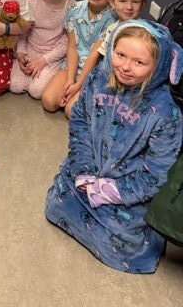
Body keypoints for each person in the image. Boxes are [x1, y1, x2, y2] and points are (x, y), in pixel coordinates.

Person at [45, 21, 183, 274]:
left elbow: (158, 173)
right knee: (58, 202)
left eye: (139, 62)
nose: (126, 67)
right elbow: (80, 123)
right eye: (120, 55)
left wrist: (111, 191)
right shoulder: (98, 78)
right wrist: (83, 170)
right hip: (88, 168)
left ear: (160, 65)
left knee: (126, 242)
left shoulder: (166, 113)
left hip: (128, 187)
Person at [42, 0, 119, 117]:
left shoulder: (113, 17)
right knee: (49, 102)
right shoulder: (75, 8)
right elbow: (72, 47)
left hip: (94, 71)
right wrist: (70, 80)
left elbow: (94, 54)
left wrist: (77, 85)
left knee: (71, 111)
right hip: (72, 65)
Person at [10, 0, 75, 101]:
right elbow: (22, 31)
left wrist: (44, 60)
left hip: (53, 55)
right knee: (15, 86)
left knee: (37, 91)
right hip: (30, 49)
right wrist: (21, 52)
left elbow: (67, 41)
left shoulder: (73, 6)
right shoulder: (29, 0)